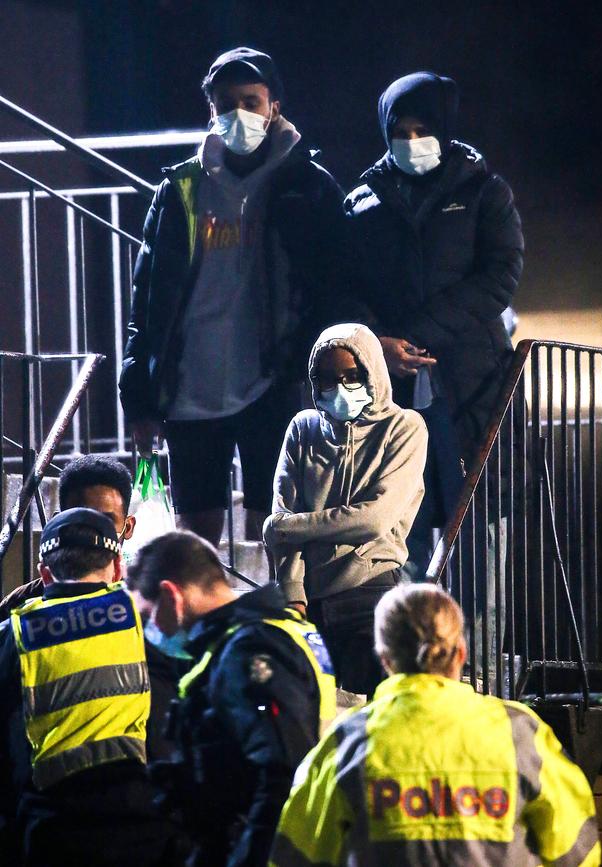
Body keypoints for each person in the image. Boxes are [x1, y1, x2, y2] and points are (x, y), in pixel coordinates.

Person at [120, 46, 349, 553]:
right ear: (210, 110)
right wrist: (139, 391)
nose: (239, 114)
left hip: (273, 385)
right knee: (194, 543)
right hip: (190, 390)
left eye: (251, 100)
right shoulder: (181, 188)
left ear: (275, 107)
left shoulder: (307, 186)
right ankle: (204, 630)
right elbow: (148, 296)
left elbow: (335, 287)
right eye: (226, 103)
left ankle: (268, 631)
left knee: (274, 536)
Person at [270, 584, 600, 867]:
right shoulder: (519, 732)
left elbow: (296, 854)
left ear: (385, 660)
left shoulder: (348, 742)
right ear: (460, 653)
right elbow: (577, 847)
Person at [345, 72, 524, 580]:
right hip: (392, 389)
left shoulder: (484, 191)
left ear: (443, 129)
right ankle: (414, 650)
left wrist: (415, 334)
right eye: (399, 132)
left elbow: (499, 277)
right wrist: (377, 342)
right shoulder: (363, 202)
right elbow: (341, 285)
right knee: (402, 524)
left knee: (476, 530)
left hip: (470, 383)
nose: (410, 142)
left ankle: (477, 655)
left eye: (422, 129)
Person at [127, 530, 336, 867]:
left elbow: (281, 772)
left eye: (147, 615)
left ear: (170, 596)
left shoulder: (250, 651)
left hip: (252, 847)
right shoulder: (267, 634)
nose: (149, 630)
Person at [0, 508, 178, 866]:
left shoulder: (13, 636)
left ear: (44, 574)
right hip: (148, 827)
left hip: (50, 833)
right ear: (116, 567)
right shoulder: (149, 625)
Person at [263, 323, 427, 697]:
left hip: (369, 590)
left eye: (352, 376)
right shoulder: (303, 429)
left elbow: (374, 520)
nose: (339, 388)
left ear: (372, 371)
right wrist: (292, 594)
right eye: (327, 379)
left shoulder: (403, 427)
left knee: (372, 715)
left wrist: (290, 527)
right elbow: (283, 509)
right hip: (308, 602)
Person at [0, 453, 136, 619]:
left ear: (128, 527)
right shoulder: (17, 606)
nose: (93, 534)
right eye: (82, 520)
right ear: (59, 521)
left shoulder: (143, 604)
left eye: (106, 521)